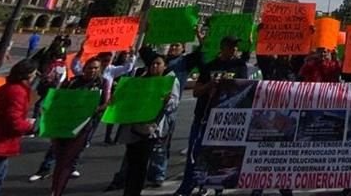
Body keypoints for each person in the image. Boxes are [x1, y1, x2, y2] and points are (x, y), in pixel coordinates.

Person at [174, 35, 249, 196]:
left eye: (236, 47)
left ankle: (217, 187)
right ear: (222, 48)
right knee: (195, 154)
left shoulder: (240, 66)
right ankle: (187, 186)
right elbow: (196, 91)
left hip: (226, 120)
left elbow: (244, 89)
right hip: (204, 117)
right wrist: (210, 84)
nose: (234, 49)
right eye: (231, 46)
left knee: (221, 156)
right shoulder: (209, 67)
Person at [28, 56, 110, 189]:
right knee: (55, 148)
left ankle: (63, 178)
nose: (93, 70)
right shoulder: (73, 82)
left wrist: (96, 109)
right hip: (67, 121)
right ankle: (44, 169)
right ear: (84, 69)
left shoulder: (102, 83)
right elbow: (59, 97)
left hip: (85, 124)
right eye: (90, 67)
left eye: (96, 68)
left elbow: (106, 102)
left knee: (74, 151)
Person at [120, 55, 180, 196]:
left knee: (141, 164)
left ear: (165, 66)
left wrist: (166, 101)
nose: (154, 66)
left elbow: (174, 104)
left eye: (158, 64)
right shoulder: (140, 80)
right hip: (134, 127)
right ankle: (129, 190)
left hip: (151, 129)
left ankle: (134, 191)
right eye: (152, 63)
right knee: (132, 162)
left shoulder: (169, 81)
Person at [0, 59, 38, 196]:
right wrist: (31, 126)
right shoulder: (17, 91)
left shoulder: (10, 87)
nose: (35, 76)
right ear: (28, 74)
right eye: (35, 73)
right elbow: (14, 121)